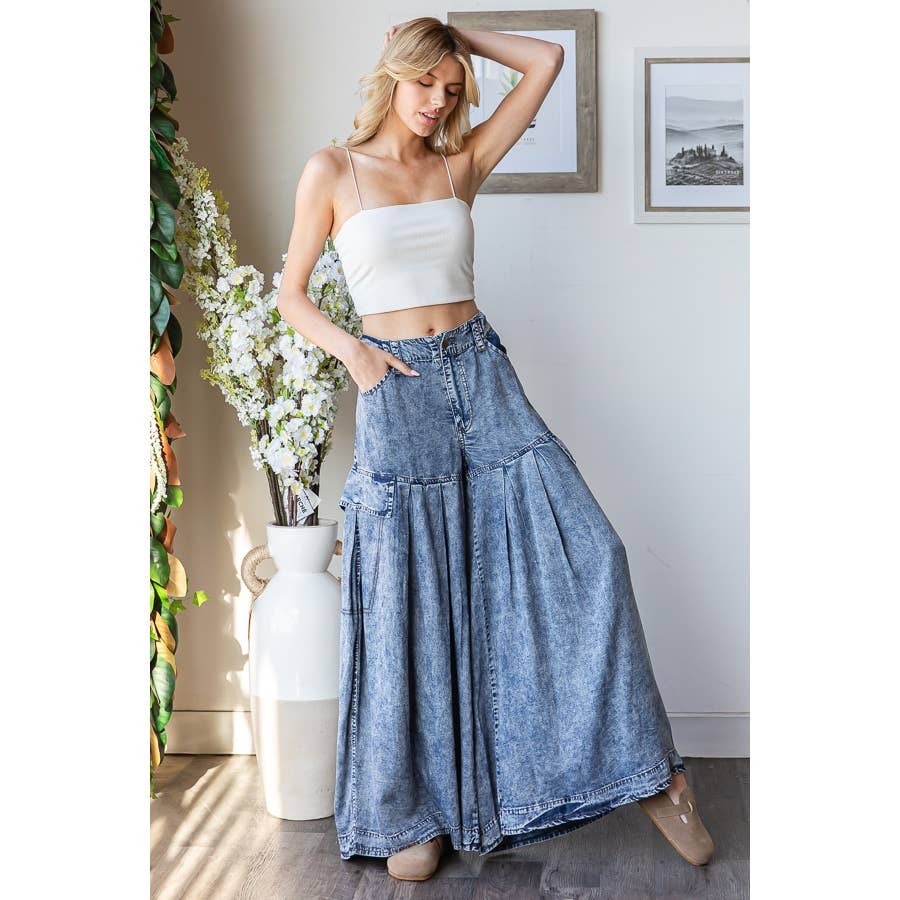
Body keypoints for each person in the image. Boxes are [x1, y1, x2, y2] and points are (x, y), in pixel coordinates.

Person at [276, 16, 714, 882]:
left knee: (592, 551)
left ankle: (656, 778)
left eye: (451, 89)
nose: (438, 102)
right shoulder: (332, 170)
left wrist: (460, 34)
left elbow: (547, 60)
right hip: (395, 386)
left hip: (480, 374)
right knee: (411, 595)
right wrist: (353, 352)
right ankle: (419, 807)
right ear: (391, 73)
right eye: (424, 82)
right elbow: (292, 293)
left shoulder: (460, 163)